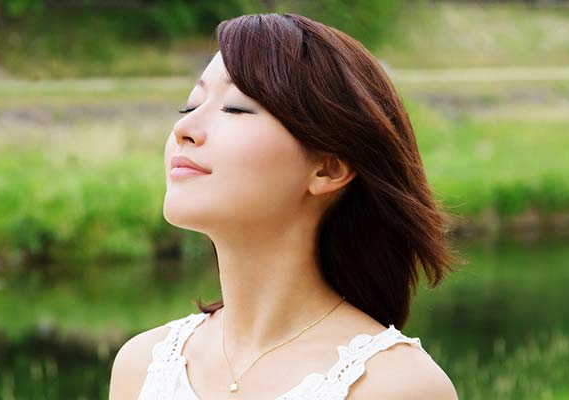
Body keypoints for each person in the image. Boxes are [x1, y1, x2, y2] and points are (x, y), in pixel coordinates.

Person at [110, 12, 459, 400]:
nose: (183, 129)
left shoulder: (395, 385)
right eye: (190, 106)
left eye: (236, 109)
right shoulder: (142, 365)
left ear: (328, 168)